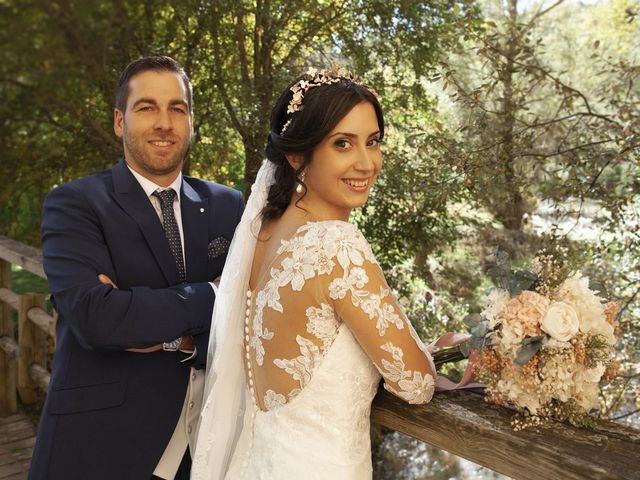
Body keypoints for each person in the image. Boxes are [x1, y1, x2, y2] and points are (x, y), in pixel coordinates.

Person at [191, 66, 437, 479]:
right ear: (296, 154)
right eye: (343, 143)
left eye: (372, 142)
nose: (366, 162)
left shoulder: (261, 232)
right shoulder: (336, 246)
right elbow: (415, 382)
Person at [28, 56, 244, 480]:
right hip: (99, 448)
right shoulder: (76, 204)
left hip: (203, 452)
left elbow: (249, 318)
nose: (164, 122)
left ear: (190, 121)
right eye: (147, 107)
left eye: (177, 109)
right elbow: (98, 318)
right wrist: (218, 294)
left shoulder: (227, 205)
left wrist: (160, 329)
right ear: (119, 121)